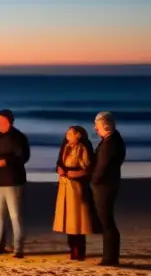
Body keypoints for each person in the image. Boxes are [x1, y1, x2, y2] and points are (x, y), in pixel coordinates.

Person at [0, 109, 31, 258]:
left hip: (14, 181)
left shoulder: (18, 137)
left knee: (15, 216)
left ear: (7, 121)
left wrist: (5, 162)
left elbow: (23, 157)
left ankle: (18, 248)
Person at [54, 126, 95, 260]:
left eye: (70, 134)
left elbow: (88, 167)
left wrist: (75, 173)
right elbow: (59, 162)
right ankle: (72, 248)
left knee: (78, 219)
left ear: (78, 135)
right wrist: (59, 169)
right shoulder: (65, 147)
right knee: (67, 219)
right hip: (65, 186)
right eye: (67, 134)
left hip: (77, 187)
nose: (67, 136)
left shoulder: (83, 148)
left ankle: (79, 249)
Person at [91, 111, 126, 267]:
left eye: (97, 126)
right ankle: (110, 257)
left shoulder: (110, 143)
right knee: (107, 221)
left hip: (105, 185)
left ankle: (110, 258)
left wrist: (93, 180)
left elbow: (102, 167)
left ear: (105, 126)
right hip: (110, 183)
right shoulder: (113, 140)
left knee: (107, 221)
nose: (95, 129)